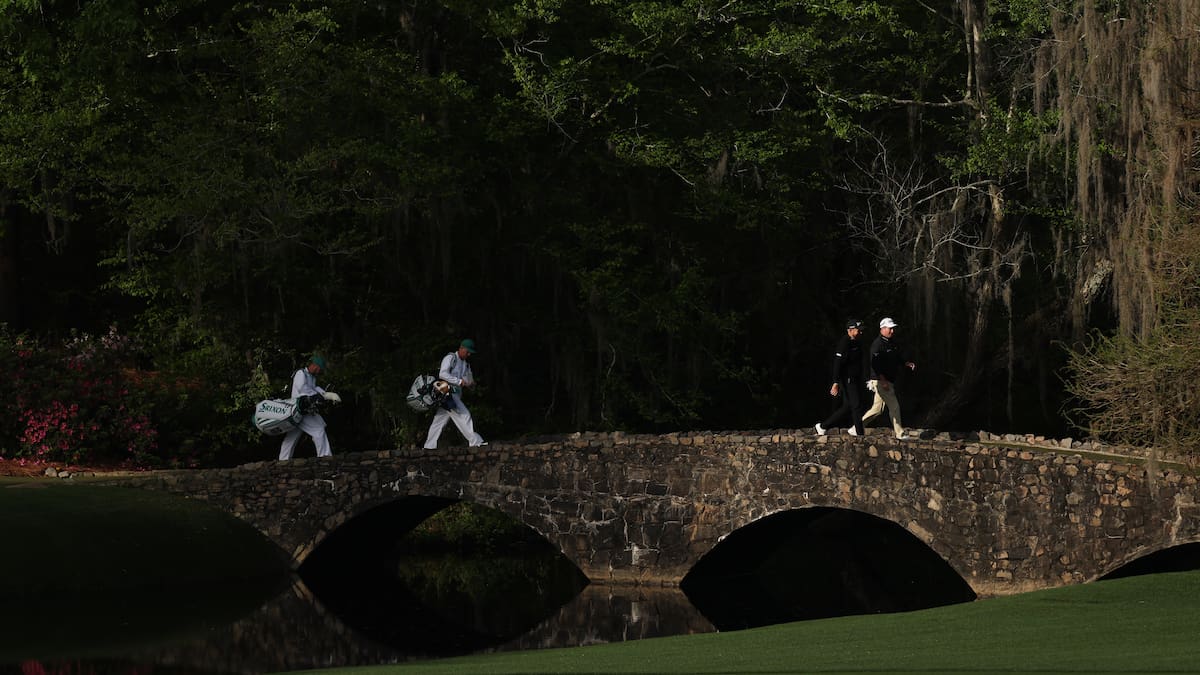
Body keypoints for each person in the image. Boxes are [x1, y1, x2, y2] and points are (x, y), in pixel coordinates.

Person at [423, 338, 487, 449]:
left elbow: (469, 380)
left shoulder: (466, 365)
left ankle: (429, 446)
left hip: (456, 394)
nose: (469, 354)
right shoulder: (451, 358)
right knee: (464, 415)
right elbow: (442, 374)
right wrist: (459, 381)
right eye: (467, 351)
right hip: (446, 393)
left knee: (439, 420)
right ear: (461, 348)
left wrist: (471, 384)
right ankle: (476, 442)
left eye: (470, 353)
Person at [862, 317, 916, 439]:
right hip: (880, 380)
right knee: (894, 406)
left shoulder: (891, 342)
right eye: (890, 328)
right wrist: (883, 380)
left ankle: (856, 428)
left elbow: (896, 357)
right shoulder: (877, 344)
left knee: (877, 409)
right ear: (883, 328)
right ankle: (900, 433)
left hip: (887, 380)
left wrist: (905, 363)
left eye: (893, 328)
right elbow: (875, 364)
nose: (892, 331)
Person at [279, 355, 341, 460]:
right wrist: (318, 396)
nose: (319, 371)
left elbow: (315, 388)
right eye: (319, 369)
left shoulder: (312, 378)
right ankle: (325, 457)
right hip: (300, 409)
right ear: (315, 366)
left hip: (300, 412)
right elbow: (302, 388)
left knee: (291, 437)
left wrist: (327, 395)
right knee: (319, 430)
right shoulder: (301, 373)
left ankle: (283, 460)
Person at [815, 319, 866, 437]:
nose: (861, 332)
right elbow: (837, 364)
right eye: (859, 330)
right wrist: (835, 382)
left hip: (855, 378)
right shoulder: (844, 343)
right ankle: (860, 434)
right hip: (847, 380)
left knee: (848, 406)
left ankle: (823, 426)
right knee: (856, 405)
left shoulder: (857, 342)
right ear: (851, 330)